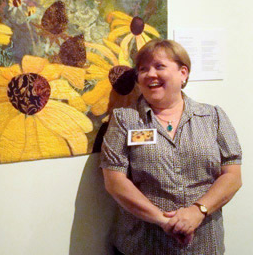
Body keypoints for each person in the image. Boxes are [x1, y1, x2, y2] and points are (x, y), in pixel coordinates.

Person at [101, 39, 242, 254]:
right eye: (143, 69)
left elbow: (232, 176)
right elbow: (115, 182)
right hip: (143, 244)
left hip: (203, 245)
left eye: (159, 66)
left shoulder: (212, 116)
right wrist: (163, 221)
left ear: (183, 73)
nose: (150, 74)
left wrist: (198, 212)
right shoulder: (124, 120)